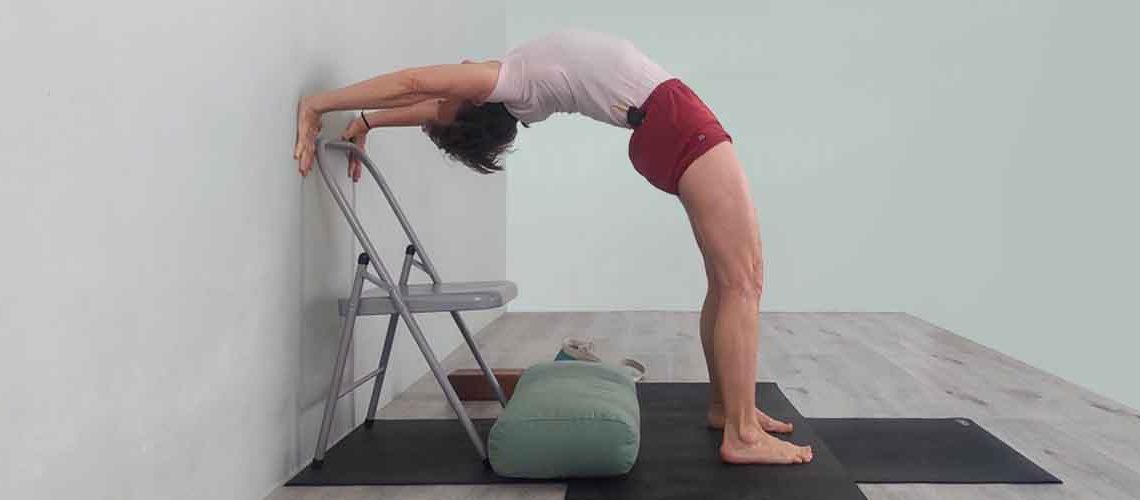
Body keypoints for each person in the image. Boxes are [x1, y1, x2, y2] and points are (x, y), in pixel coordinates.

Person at [293, 28, 813, 465]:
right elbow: (414, 84)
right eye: (454, 92)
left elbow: (431, 103)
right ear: (475, 99)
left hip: (667, 122)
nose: (454, 77)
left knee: (728, 281)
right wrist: (321, 105)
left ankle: (729, 408)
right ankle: (742, 434)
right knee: (744, 280)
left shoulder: (516, 89)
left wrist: (367, 121)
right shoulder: (506, 81)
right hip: (677, 123)